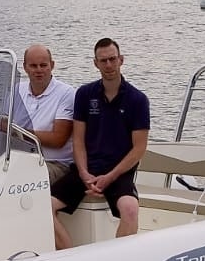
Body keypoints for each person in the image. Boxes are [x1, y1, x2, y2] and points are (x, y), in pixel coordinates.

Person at [49, 37, 149, 249]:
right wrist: (84, 174)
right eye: (103, 61)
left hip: (119, 173)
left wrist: (109, 177)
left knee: (130, 209)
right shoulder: (84, 95)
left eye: (112, 59)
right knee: (43, 207)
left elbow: (139, 148)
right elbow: (78, 140)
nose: (109, 65)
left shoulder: (138, 100)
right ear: (96, 63)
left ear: (121, 60)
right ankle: (69, 257)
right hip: (86, 170)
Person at [10, 44, 76, 185]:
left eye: (43, 65)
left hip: (55, 164)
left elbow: (58, 139)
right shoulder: (16, 90)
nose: (39, 70)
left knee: (17, 179)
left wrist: (18, 133)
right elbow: (3, 122)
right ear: (25, 67)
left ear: (52, 65)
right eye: (33, 66)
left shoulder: (66, 93)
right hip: (19, 159)